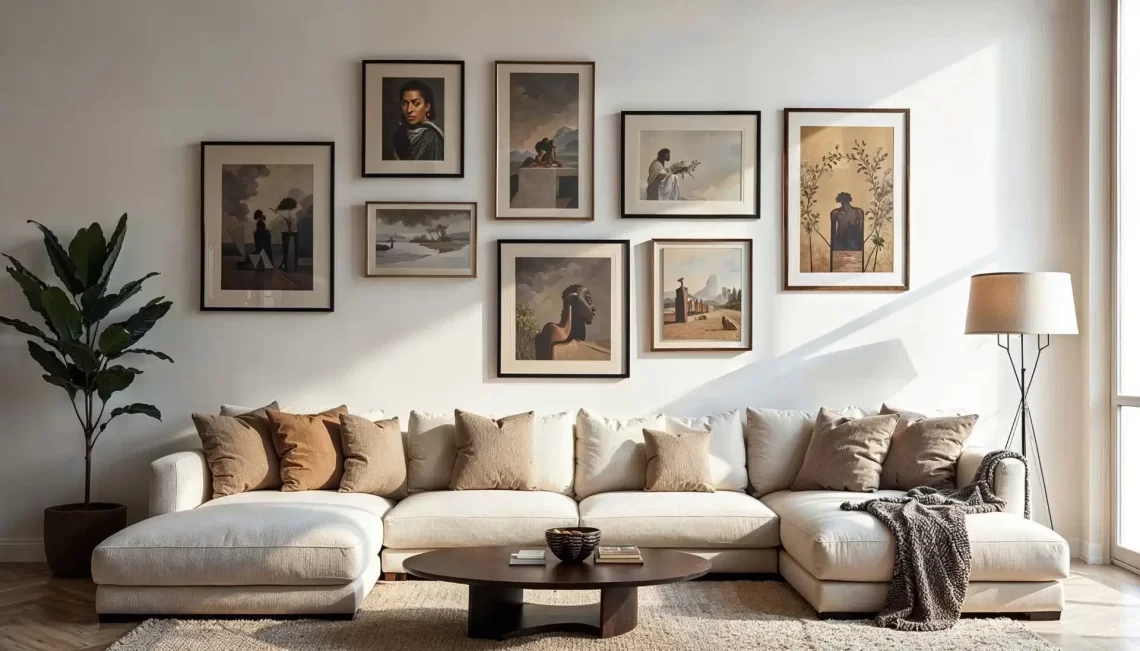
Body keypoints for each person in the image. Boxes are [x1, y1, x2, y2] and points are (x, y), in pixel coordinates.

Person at [390, 80, 444, 161]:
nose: (409, 110)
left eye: (416, 103)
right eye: (405, 103)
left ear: (427, 107)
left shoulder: (431, 136)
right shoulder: (400, 133)